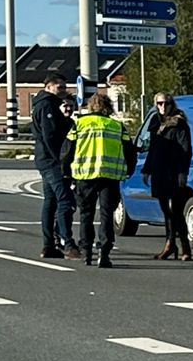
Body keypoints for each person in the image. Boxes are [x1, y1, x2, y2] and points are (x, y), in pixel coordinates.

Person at [69, 91, 135, 269]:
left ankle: (86, 252)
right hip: (110, 176)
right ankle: (104, 252)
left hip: (85, 175)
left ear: (91, 106)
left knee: (86, 214)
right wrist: (130, 170)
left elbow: (67, 150)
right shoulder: (117, 126)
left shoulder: (79, 125)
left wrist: (66, 173)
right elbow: (129, 151)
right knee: (106, 214)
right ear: (108, 107)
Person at [140, 93, 193, 260]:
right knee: (165, 209)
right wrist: (146, 169)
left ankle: (183, 245)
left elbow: (186, 150)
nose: (163, 107)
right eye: (159, 103)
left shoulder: (179, 124)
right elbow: (153, 149)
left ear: (172, 104)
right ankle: (170, 244)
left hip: (173, 171)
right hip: (159, 170)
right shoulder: (155, 122)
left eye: (166, 103)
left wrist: (182, 172)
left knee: (175, 210)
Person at [30, 73, 78, 259]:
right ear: (49, 87)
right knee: (65, 199)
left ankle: (48, 245)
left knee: (50, 201)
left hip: (45, 159)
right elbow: (50, 136)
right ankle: (68, 243)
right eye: (60, 87)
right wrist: (60, 161)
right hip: (51, 161)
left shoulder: (45, 104)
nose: (64, 91)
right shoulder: (47, 105)